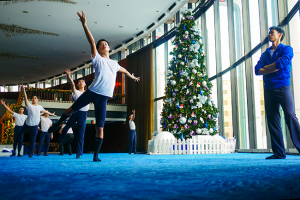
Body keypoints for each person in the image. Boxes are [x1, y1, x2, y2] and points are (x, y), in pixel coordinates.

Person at [48, 11, 140, 162]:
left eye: (106, 44)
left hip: (103, 98)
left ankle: (96, 155)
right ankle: (57, 124)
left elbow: (123, 70)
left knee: (100, 128)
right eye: (101, 44)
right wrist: (84, 24)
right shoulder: (97, 58)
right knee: (71, 109)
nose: (104, 45)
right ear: (98, 49)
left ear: (109, 48)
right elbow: (91, 42)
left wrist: (132, 76)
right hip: (92, 92)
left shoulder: (114, 64)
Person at [255, 26, 300, 159]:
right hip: (269, 89)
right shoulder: (265, 53)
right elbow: (257, 70)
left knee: (290, 116)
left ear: (280, 35)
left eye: (272, 33)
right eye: (269, 33)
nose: (269, 35)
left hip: (283, 87)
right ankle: (279, 153)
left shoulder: (287, 49)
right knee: (273, 120)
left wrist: (267, 69)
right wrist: (274, 67)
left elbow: (283, 63)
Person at [57, 69, 89, 159]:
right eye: (79, 81)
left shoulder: (87, 94)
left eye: (82, 81)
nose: (81, 82)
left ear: (85, 84)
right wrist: (69, 76)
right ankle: (60, 139)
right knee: (66, 127)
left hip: (83, 115)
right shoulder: (76, 92)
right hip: (75, 113)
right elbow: (72, 84)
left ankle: (79, 153)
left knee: (81, 135)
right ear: (78, 84)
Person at [20, 84, 56, 158]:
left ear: (37, 100)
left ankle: (30, 154)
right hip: (27, 124)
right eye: (32, 98)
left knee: (32, 140)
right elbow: (26, 98)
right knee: (20, 133)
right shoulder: (29, 106)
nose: (33, 99)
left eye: (35, 98)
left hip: (35, 126)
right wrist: (23, 90)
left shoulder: (40, 107)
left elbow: (45, 111)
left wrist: (51, 114)